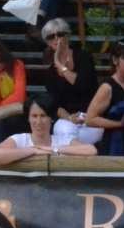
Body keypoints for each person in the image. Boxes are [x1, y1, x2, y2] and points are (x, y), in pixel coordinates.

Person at [41, 18, 101, 146]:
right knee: (63, 130)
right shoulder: (50, 72)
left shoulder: (83, 57)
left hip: (90, 115)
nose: (56, 38)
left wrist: (60, 66)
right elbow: (54, 104)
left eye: (60, 34)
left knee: (70, 137)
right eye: (51, 36)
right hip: (68, 119)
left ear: (67, 36)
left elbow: (83, 85)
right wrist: (69, 118)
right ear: (47, 42)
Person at [0, 95, 96, 163]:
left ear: (51, 118)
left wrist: (54, 149)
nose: (38, 121)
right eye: (34, 116)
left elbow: (91, 150)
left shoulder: (62, 140)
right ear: (28, 118)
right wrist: (34, 151)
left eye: (43, 116)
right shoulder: (19, 139)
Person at [81, 39, 124, 155]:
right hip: (116, 147)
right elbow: (90, 119)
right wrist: (119, 124)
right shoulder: (107, 87)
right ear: (115, 60)